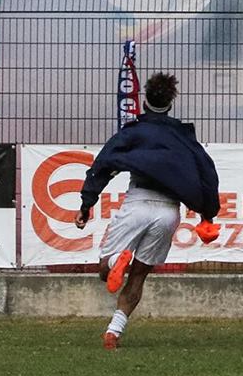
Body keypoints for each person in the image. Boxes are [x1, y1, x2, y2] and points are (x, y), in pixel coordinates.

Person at [74, 71, 222, 350]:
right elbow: (207, 173)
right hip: (168, 211)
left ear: (144, 102)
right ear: (171, 103)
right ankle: (113, 331)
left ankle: (119, 257)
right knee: (140, 273)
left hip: (138, 202)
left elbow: (103, 164)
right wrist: (208, 215)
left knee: (105, 270)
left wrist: (86, 203)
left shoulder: (133, 132)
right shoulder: (184, 137)